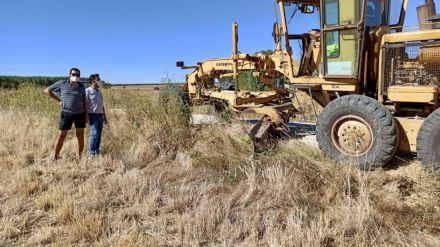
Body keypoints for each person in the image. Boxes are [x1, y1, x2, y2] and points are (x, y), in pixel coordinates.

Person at [44, 68, 89, 160]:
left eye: (77, 75)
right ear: (69, 74)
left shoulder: (81, 86)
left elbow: (84, 101)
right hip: (66, 113)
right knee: (62, 135)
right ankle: (55, 157)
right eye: (73, 74)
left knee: (80, 135)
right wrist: (59, 100)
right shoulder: (62, 83)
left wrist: (86, 115)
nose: (75, 76)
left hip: (80, 113)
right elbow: (47, 91)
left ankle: (80, 156)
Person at [86, 74, 107, 156]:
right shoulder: (87, 91)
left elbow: (101, 105)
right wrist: (86, 116)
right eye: (98, 79)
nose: (100, 81)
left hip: (100, 116)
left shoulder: (99, 91)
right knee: (94, 134)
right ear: (93, 81)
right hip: (92, 116)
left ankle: (96, 151)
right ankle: (91, 153)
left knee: (99, 134)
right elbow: (85, 105)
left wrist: (104, 116)